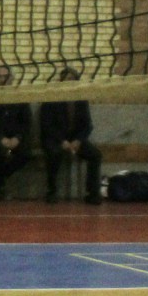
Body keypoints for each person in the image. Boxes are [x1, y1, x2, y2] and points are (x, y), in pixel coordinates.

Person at [37, 69, 103, 206]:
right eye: (67, 79)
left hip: (75, 139)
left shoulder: (81, 100)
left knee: (96, 155)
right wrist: (62, 141)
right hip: (55, 139)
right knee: (54, 153)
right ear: (61, 81)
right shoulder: (51, 99)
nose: (70, 82)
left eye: (73, 79)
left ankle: (93, 193)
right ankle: (52, 191)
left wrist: (78, 140)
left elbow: (88, 125)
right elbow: (46, 125)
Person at [0, 78, 32, 203]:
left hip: (16, 138)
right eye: (1, 77)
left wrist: (17, 137)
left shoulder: (20, 98)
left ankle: (2, 176)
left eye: (6, 77)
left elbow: (26, 123)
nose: (3, 80)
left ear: (11, 79)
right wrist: (0, 138)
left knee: (25, 154)